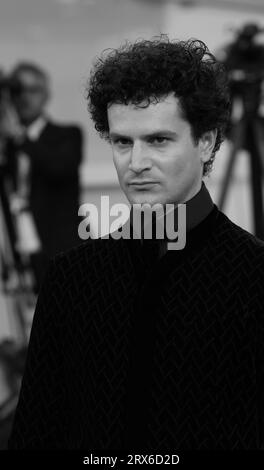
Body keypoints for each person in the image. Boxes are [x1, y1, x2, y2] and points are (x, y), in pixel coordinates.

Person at [8, 37, 264, 450]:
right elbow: (37, 434)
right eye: (122, 142)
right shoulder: (71, 279)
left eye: (159, 140)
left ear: (206, 141)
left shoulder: (255, 278)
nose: (136, 163)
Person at [5, 62, 83, 289]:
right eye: (18, 91)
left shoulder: (67, 134)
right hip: (18, 251)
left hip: (59, 248)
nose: (25, 98)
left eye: (33, 90)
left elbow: (60, 167)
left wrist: (20, 137)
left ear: (46, 95)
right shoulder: (6, 146)